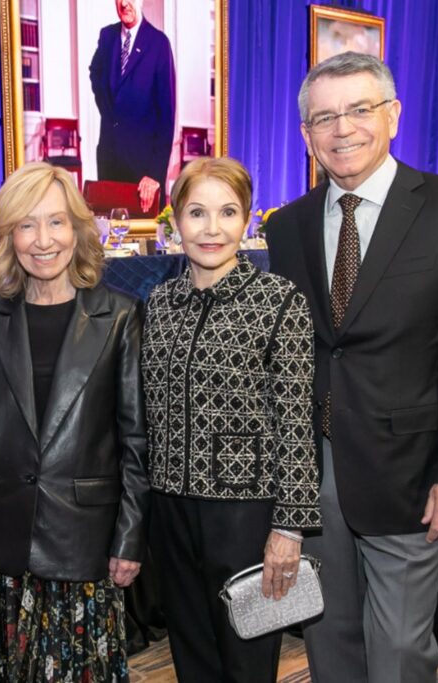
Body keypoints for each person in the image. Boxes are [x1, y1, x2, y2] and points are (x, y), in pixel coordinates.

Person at [265, 52, 438, 683]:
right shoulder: (287, 226)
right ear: (306, 134)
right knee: (328, 639)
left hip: (414, 476)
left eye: (359, 109)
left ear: (394, 115)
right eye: (324, 117)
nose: (342, 128)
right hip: (313, 477)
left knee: (400, 650)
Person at [0, 162, 150, 682]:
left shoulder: (120, 315)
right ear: (8, 236)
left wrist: (129, 538)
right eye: (26, 225)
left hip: (83, 540)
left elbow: (135, 440)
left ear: (77, 229)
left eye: (56, 222)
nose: (42, 240)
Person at [142, 157, 321, 682]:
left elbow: (296, 423)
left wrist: (289, 527)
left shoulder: (279, 301)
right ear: (175, 219)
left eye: (227, 212)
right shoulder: (159, 303)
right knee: (191, 657)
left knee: (247, 664)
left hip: (245, 515)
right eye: (196, 212)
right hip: (170, 509)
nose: (211, 228)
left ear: (246, 219)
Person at [89, 0, 176, 213]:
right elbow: (95, 73)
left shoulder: (159, 43)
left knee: (143, 231)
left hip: (143, 170)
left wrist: (154, 174)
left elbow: (166, 116)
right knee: (110, 228)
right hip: (110, 160)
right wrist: (108, 111)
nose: (124, 4)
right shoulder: (107, 36)